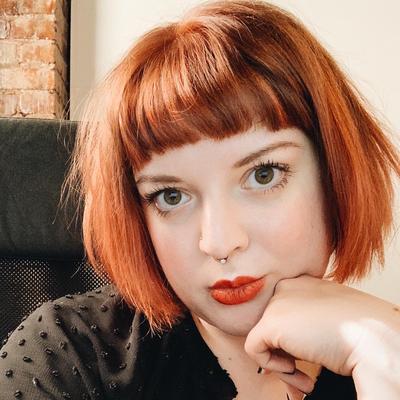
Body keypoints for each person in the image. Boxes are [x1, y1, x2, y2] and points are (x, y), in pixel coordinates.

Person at [1, 1, 399, 399]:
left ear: (334, 174)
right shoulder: (65, 356)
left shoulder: (385, 352)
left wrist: (386, 363)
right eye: (171, 196)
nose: (220, 243)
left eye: (263, 175)